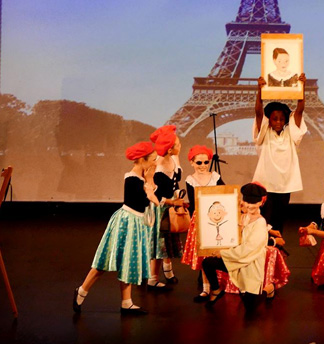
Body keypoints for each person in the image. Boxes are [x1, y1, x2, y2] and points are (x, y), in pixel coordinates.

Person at [73, 141, 159, 315]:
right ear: (142, 159)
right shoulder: (132, 179)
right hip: (127, 223)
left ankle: (126, 302)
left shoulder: (141, 179)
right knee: (105, 260)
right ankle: (82, 290)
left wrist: (149, 183)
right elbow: (147, 202)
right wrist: (150, 183)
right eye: (152, 160)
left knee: (128, 261)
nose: (154, 164)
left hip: (137, 223)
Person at [200, 183, 269, 314]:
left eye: (253, 203)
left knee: (250, 308)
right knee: (207, 263)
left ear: (261, 202)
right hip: (235, 259)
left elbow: (248, 249)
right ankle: (216, 290)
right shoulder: (244, 216)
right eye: (247, 202)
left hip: (249, 263)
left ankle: (269, 289)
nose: (249, 205)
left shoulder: (260, 223)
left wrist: (223, 253)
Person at [252, 73, 307, 234]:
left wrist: (302, 87)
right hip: (267, 184)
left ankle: (278, 247)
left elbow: (300, 111)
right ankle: (264, 246)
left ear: (285, 120)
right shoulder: (265, 132)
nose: (278, 122)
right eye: (274, 119)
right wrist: (260, 90)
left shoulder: (290, 132)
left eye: (281, 119)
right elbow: (258, 112)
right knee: (265, 219)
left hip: (284, 184)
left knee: (279, 219)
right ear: (269, 120)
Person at [181, 145, 225, 302]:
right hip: (200, 219)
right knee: (203, 254)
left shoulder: (215, 177)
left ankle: (220, 284)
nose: (203, 166)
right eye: (199, 163)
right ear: (192, 163)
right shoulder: (190, 180)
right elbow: (193, 203)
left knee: (216, 252)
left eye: (206, 162)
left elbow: (225, 193)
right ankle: (207, 289)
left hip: (217, 219)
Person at [148, 125, 184, 290]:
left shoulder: (173, 159)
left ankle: (168, 271)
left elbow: (176, 180)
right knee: (159, 244)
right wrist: (172, 202)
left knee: (168, 242)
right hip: (160, 210)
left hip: (170, 207)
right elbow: (156, 196)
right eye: (177, 144)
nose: (180, 146)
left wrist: (177, 197)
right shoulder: (158, 168)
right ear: (169, 149)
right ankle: (152, 279)